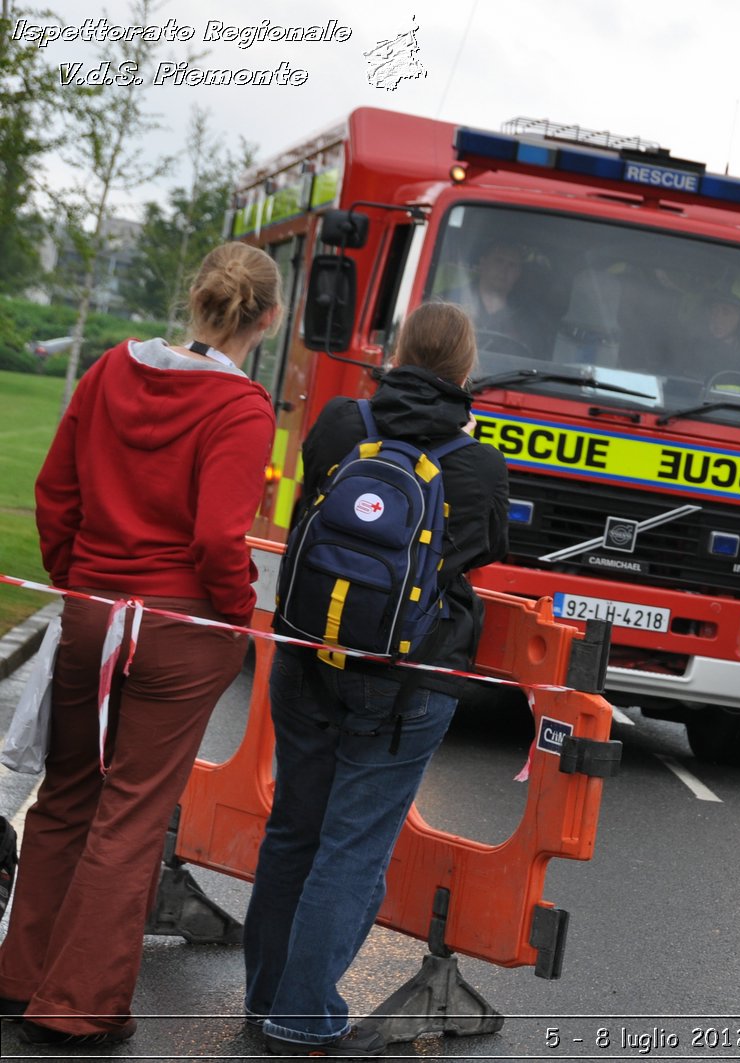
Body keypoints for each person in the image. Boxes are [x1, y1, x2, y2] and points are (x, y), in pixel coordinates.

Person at [0, 243, 280, 1046]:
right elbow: (220, 538)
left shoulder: (108, 372)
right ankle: (78, 1006)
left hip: (95, 607)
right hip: (179, 623)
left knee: (66, 794)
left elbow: (56, 491)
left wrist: (77, 579)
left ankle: (20, 976)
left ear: (194, 296)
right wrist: (235, 620)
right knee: (130, 813)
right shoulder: (242, 407)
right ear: (267, 319)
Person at [243, 303, 510, 1056]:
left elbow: (304, 511)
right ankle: (302, 1015)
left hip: (307, 657)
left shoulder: (338, 421)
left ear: (396, 352)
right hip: (406, 679)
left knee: (293, 830)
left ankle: (266, 1000)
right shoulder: (477, 461)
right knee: (352, 846)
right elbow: (484, 549)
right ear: (464, 370)